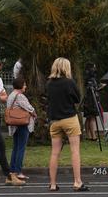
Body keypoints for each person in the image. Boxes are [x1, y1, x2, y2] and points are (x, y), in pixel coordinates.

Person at [46, 57, 88, 192]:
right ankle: (77, 182)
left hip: (54, 121)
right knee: (75, 151)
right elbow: (77, 98)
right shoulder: (69, 82)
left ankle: (52, 184)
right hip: (69, 118)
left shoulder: (49, 83)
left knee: (54, 153)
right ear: (66, 67)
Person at [7, 77, 36, 184]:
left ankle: (13, 170)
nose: (25, 86)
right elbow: (29, 108)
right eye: (24, 84)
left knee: (15, 148)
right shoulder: (20, 96)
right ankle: (18, 171)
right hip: (22, 124)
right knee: (21, 148)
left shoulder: (11, 95)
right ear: (20, 85)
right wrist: (34, 113)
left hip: (14, 124)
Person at [82, 63, 100, 141]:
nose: (95, 69)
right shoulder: (91, 79)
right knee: (92, 117)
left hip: (88, 100)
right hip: (91, 100)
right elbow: (91, 90)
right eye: (94, 68)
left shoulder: (88, 78)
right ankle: (93, 136)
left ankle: (88, 135)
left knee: (88, 118)